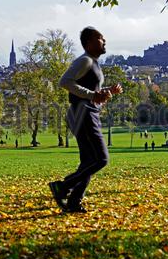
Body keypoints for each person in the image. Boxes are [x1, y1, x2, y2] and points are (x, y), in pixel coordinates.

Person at [48, 26, 123, 213]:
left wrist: (106, 93)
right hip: (82, 113)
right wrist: (92, 95)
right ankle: (63, 187)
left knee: (88, 161)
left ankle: (74, 202)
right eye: (100, 38)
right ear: (88, 42)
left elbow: (92, 95)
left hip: (87, 112)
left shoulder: (94, 63)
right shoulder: (85, 61)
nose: (104, 41)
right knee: (101, 159)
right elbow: (64, 82)